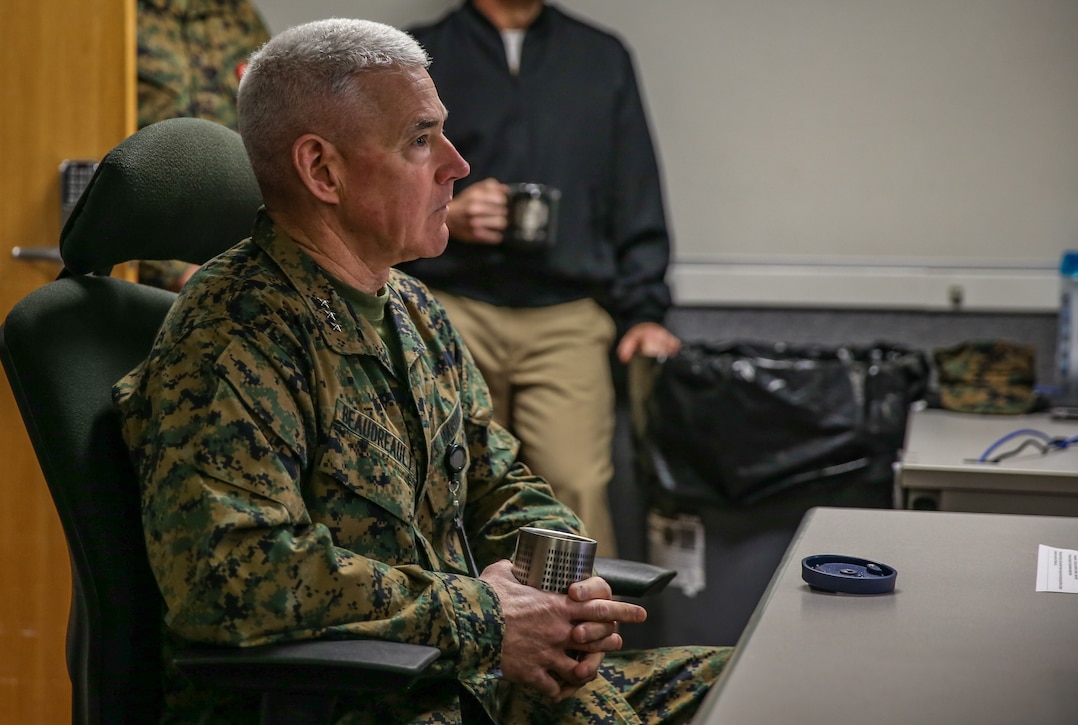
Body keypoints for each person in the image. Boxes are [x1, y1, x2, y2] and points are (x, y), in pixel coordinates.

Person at [114, 17, 728, 723]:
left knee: (752, 679)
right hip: (370, 701)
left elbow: (499, 481)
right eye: (420, 139)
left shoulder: (413, 309)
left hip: (470, 672)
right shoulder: (233, 336)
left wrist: (564, 591)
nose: (458, 165)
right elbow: (233, 578)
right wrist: (489, 615)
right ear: (323, 170)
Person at [402, 0, 681, 558]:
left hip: (568, 313)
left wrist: (645, 311)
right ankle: (457, 633)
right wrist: (446, 216)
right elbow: (385, 179)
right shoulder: (416, 56)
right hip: (451, 307)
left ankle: (586, 636)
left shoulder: (600, 57)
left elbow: (635, 187)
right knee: (442, 488)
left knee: (575, 487)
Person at [136, 0, 270, 291]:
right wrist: (173, 272)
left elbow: (271, 130)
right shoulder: (116, 16)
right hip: (145, 263)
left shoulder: (236, 14)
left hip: (240, 259)